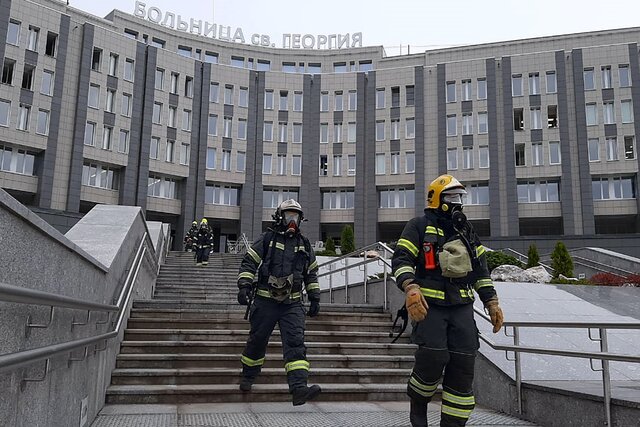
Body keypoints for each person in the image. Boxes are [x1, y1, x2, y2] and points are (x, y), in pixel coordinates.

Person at [391, 174, 504, 427]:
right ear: (437, 199)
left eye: (461, 197)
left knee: (464, 364)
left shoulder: (467, 231)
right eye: (452, 196)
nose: (458, 202)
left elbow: (480, 271)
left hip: (462, 307)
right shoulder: (418, 226)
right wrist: (410, 287)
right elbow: (401, 260)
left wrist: (491, 301)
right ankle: (418, 408)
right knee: (433, 358)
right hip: (429, 308)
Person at [236, 199, 322, 406]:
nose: (292, 221)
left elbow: (311, 273)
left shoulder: (305, 244)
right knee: (257, 342)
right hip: (265, 302)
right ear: (279, 217)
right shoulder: (267, 239)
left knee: (295, 345)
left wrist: (315, 297)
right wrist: (244, 285)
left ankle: (299, 388)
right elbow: (249, 262)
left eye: (296, 217)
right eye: (288, 216)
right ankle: (248, 375)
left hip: (292, 305)